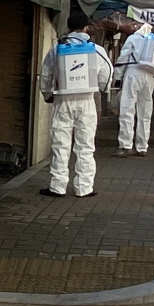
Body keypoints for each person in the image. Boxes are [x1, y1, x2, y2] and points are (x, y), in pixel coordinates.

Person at [38, 24, 114, 197]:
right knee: (86, 145)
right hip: (86, 101)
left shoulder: (57, 49)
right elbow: (107, 71)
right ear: (86, 28)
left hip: (63, 100)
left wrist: (47, 94)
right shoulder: (96, 49)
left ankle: (57, 186)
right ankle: (84, 187)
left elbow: (46, 74)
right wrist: (103, 88)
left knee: (60, 144)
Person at [114, 23, 154, 156]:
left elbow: (123, 58)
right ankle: (142, 146)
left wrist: (117, 76)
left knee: (127, 109)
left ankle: (125, 145)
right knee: (145, 111)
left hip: (133, 73)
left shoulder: (133, 39)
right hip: (149, 76)